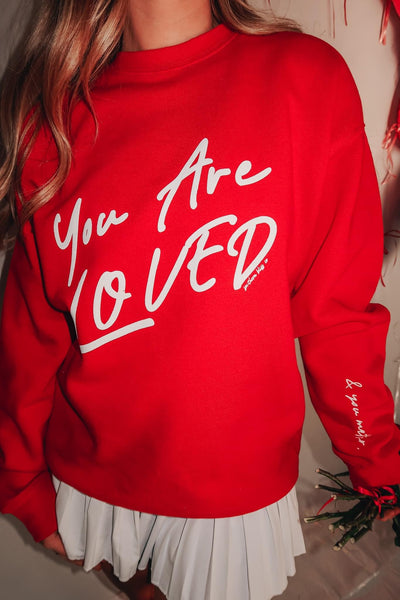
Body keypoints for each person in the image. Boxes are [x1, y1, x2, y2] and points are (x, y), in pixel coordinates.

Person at [1, 1, 400, 599]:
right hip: (91, 481)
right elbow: (31, 333)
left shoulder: (303, 79)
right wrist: (20, 478)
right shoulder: (53, 117)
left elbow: (335, 314)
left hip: (231, 502)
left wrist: (378, 459)